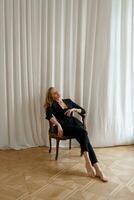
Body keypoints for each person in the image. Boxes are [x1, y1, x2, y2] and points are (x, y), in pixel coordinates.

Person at [44, 87, 108, 182]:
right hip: (64, 126)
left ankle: (91, 165)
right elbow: (49, 116)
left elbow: (83, 110)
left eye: (57, 91)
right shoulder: (51, 105)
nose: (57, 93)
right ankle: (94, 166)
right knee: (83, 133)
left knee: (82, 133)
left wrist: (74, 109)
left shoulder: (68, 101)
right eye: (54, 93)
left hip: (75, 123)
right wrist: (58, 125)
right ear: (51, 96)